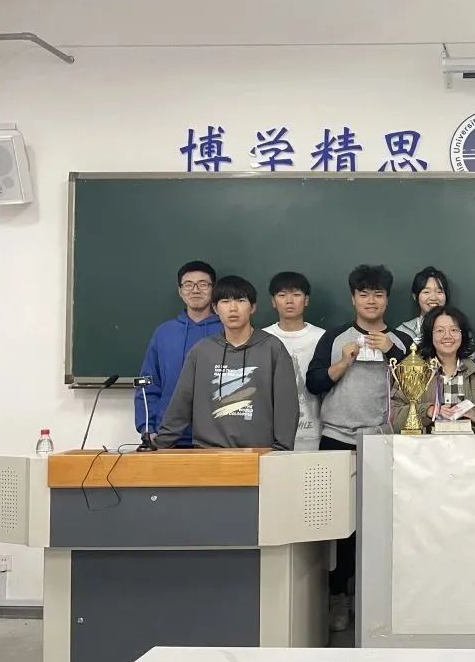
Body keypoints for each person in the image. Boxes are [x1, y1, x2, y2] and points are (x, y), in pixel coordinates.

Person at [306, 264, 410, 633]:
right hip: (337, 440)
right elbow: (314, 382)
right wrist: (344, 361)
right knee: (338, 526)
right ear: (353, 298)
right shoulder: (335, 337)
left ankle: (380, 600)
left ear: (387, 300)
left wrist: (393, 352)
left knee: (383, 524)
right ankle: (338, 596)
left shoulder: (401, 342)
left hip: (383, 441)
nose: (371, 301)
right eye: (364, 294)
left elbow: (420, 387)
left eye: (378, 294)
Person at [155, 275, 298, 451]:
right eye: (225, 301)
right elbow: (180, 405)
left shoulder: (273, 348)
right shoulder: (201, 351)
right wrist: (158, 446)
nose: (233, 308)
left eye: (240, 300)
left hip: (259, 453)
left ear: (253, 307)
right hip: (208, 453)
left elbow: (286, 407)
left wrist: (281, 452)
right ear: (215, 308)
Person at [135, 260, 222, 445]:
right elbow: (148, 384)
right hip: (168, 435)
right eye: (188, 285)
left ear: (213, 289)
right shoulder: (164, 333)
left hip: (218, 437)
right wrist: (147, 427)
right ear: (180, 291)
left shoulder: (227, 331)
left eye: (203, 284)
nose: (195, 290)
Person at [392, 306, 475, 434]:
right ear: (430, 335)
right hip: (426, 446)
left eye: (454, 330)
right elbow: (393, 415)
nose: (447, 336)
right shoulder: (414, 371)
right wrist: (428, 411)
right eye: (440, 331)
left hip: (470, 446)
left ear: (462, 334)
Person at [264, 271, 325, 451]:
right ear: (273, 301)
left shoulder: (322, 338)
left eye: (296, 294)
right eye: (282, 295)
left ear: (306, 300)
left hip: (315, 434)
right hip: (270, 437)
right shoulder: (262, 338)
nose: (289, 301)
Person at [397, 266, 450, 345]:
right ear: (415, 296)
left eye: (439, 292)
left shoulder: (458, 330)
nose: (433, 298)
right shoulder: (402, 332)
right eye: (426, 292)